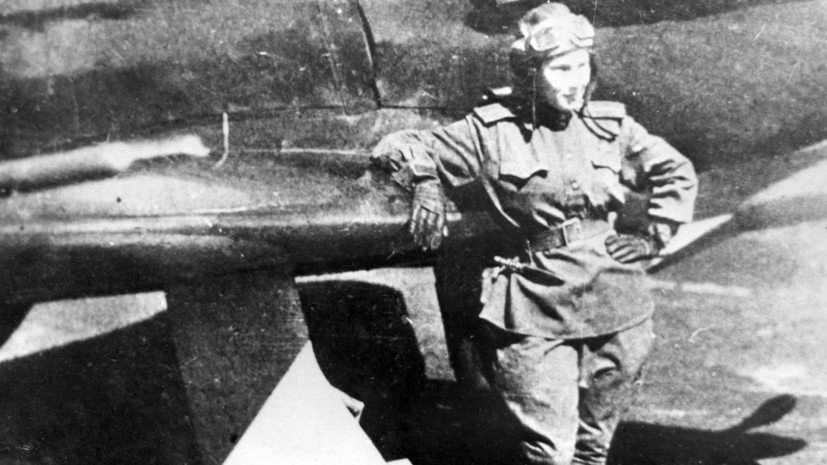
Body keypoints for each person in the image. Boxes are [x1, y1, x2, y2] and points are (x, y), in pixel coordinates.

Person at [370, 3, 698, 465]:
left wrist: (652, 236)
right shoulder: (490, 132)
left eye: (582, 67)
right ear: (531, 74)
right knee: (551, 448)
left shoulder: (610, 126)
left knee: (593, 448)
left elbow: (676, 171)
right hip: (535, 301)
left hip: (614, 296)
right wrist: (425, 181)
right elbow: (401, 143)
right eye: (561, 69)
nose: (576, 80)